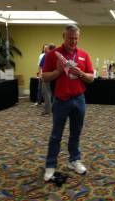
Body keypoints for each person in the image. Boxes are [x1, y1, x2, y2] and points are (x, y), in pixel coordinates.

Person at [42, 25, 94, 181]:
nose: (74, 41)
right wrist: (58, 71)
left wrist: (81, 74)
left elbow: (91, 77)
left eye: (76, 38)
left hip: (79, 99)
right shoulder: (53, 55)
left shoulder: (84, 54)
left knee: (76, 133)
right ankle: (50, 165)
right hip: (61, 100)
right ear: (63, 36)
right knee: (56, 135)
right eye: (71, 38)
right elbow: (44, 77)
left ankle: (74, 160)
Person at [40, 44, 56, 115]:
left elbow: (42, 66)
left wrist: (41, 75)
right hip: (56, 77)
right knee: (56, 94)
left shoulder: (46, 56)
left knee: (47, 94)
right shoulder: (58, 55)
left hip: (47, 77)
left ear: (49, 49)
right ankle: (56, 109)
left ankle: (47, 110)